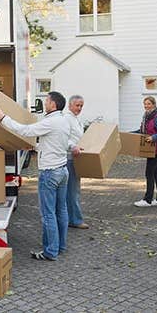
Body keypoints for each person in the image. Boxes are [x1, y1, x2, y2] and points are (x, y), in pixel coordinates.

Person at [0, 91, 70, 261]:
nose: (45, 102)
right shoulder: (64, 120)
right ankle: (60, 246)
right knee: (61, 210)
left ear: (53, 105)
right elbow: (55, 143)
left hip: (50, 173)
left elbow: (25, 130)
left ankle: (50, 251)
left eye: (47, 100)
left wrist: (3, 117)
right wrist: (35, 148)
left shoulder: (50, 121)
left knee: (48, 214)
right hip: (62, 171)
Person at [134, 96, 157, 207]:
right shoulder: (147, 118)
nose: (146, 106)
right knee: (156, 174)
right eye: (145, 104)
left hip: (156, 150)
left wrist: (153, 138)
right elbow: (142, 131)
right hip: (151, 150)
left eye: (148, 104)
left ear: (153, 104)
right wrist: (128, 134)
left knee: (149, 173)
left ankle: (147, 200)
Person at [64, 95, 89, 229]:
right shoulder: (67, 119)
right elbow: (63, 137)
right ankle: (75, 220)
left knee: (73, 190)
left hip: (76, 158)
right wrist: (73, 146)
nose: (79, 108)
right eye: (77, 105)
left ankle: (70, 218)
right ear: (70, 105)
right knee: (73, 191)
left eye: (81, 106)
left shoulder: (76, 119)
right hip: (70, 158)